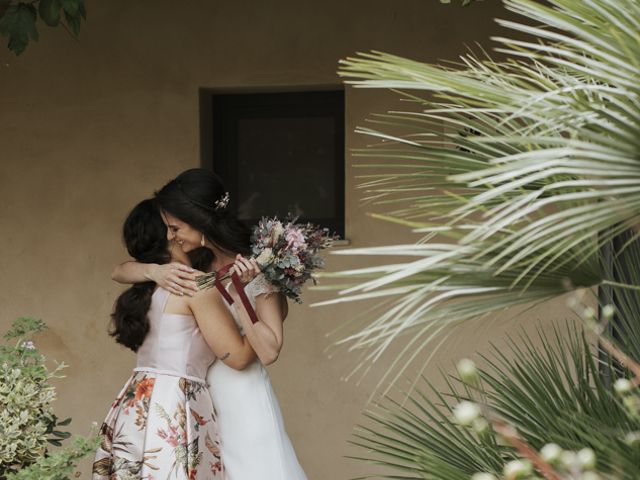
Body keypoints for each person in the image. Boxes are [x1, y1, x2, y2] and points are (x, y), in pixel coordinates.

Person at [112, 168, 308, 479]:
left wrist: (244, 292)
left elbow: (269, 351)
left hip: (240, 393)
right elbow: (119, 271)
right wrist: (153, 271)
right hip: (201, 396)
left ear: (199, 222)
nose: (171, 237)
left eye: (175, 228)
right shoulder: (199, 263)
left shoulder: (261, 268)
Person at [93, 198, 258, 480]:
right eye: (176, 223)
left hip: (136, 401)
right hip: (175, 404)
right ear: (169, 234)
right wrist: (258, 312)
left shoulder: (152, 282)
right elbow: (240, 357)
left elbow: (118, 270)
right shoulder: (194, 286)